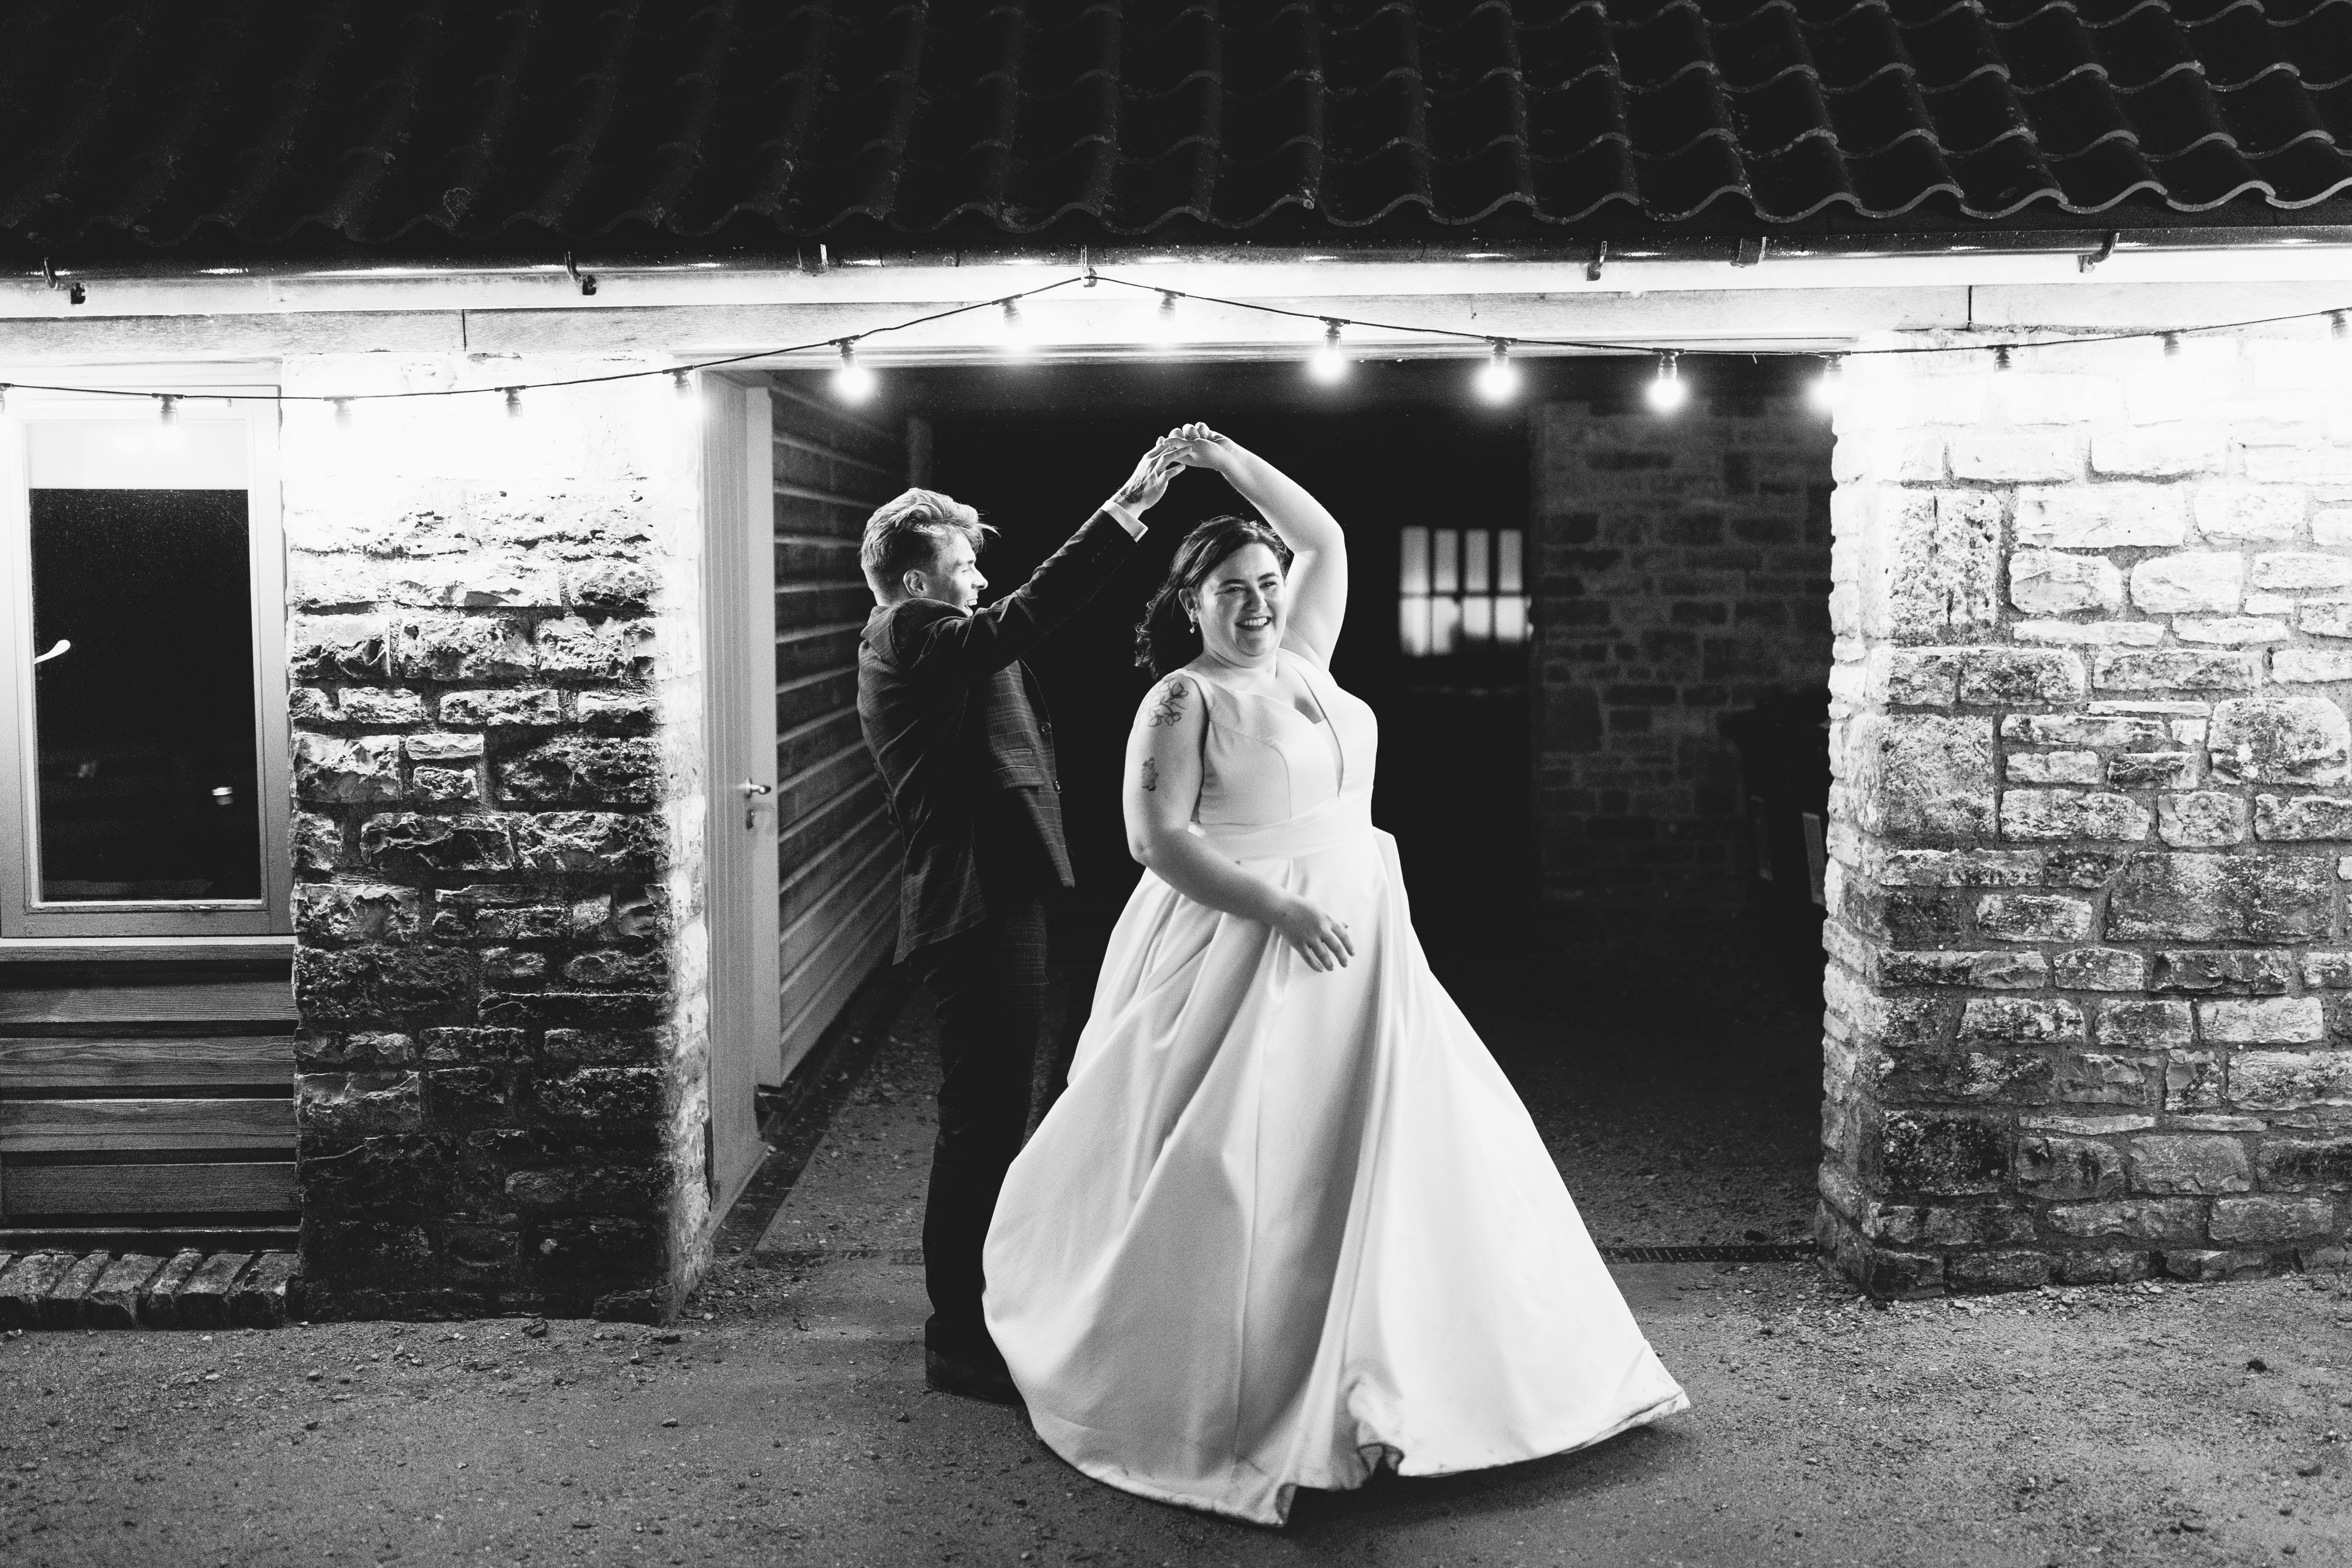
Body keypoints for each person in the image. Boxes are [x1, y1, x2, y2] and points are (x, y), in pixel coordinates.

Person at [981, 425, 1689, 1524]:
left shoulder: (1305, 663)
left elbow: (1326, 535)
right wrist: (1278, 908)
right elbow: (1154, 840)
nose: (1258, 602)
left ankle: (1407, 1381)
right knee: (1246, 1159)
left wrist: (1223, 461)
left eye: (1266, 583)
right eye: (1230, 589)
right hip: (1244, 936)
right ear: (1191, 606)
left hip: (1363, 938)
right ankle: (1239, 1388)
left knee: (1398, 1144)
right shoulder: (1183, 699)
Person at [855, 433, 1188, 1404]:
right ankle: (959, 1337)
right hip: (974, 907)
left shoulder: (935, 639)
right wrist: (1123, 512)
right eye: (963, 565)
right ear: (918, 583)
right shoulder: (910, 634)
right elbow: (1023, 618)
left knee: (1005, 1116)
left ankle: (1002, 1304)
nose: (981, 578)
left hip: (1002, 896)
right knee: (982, 1124)